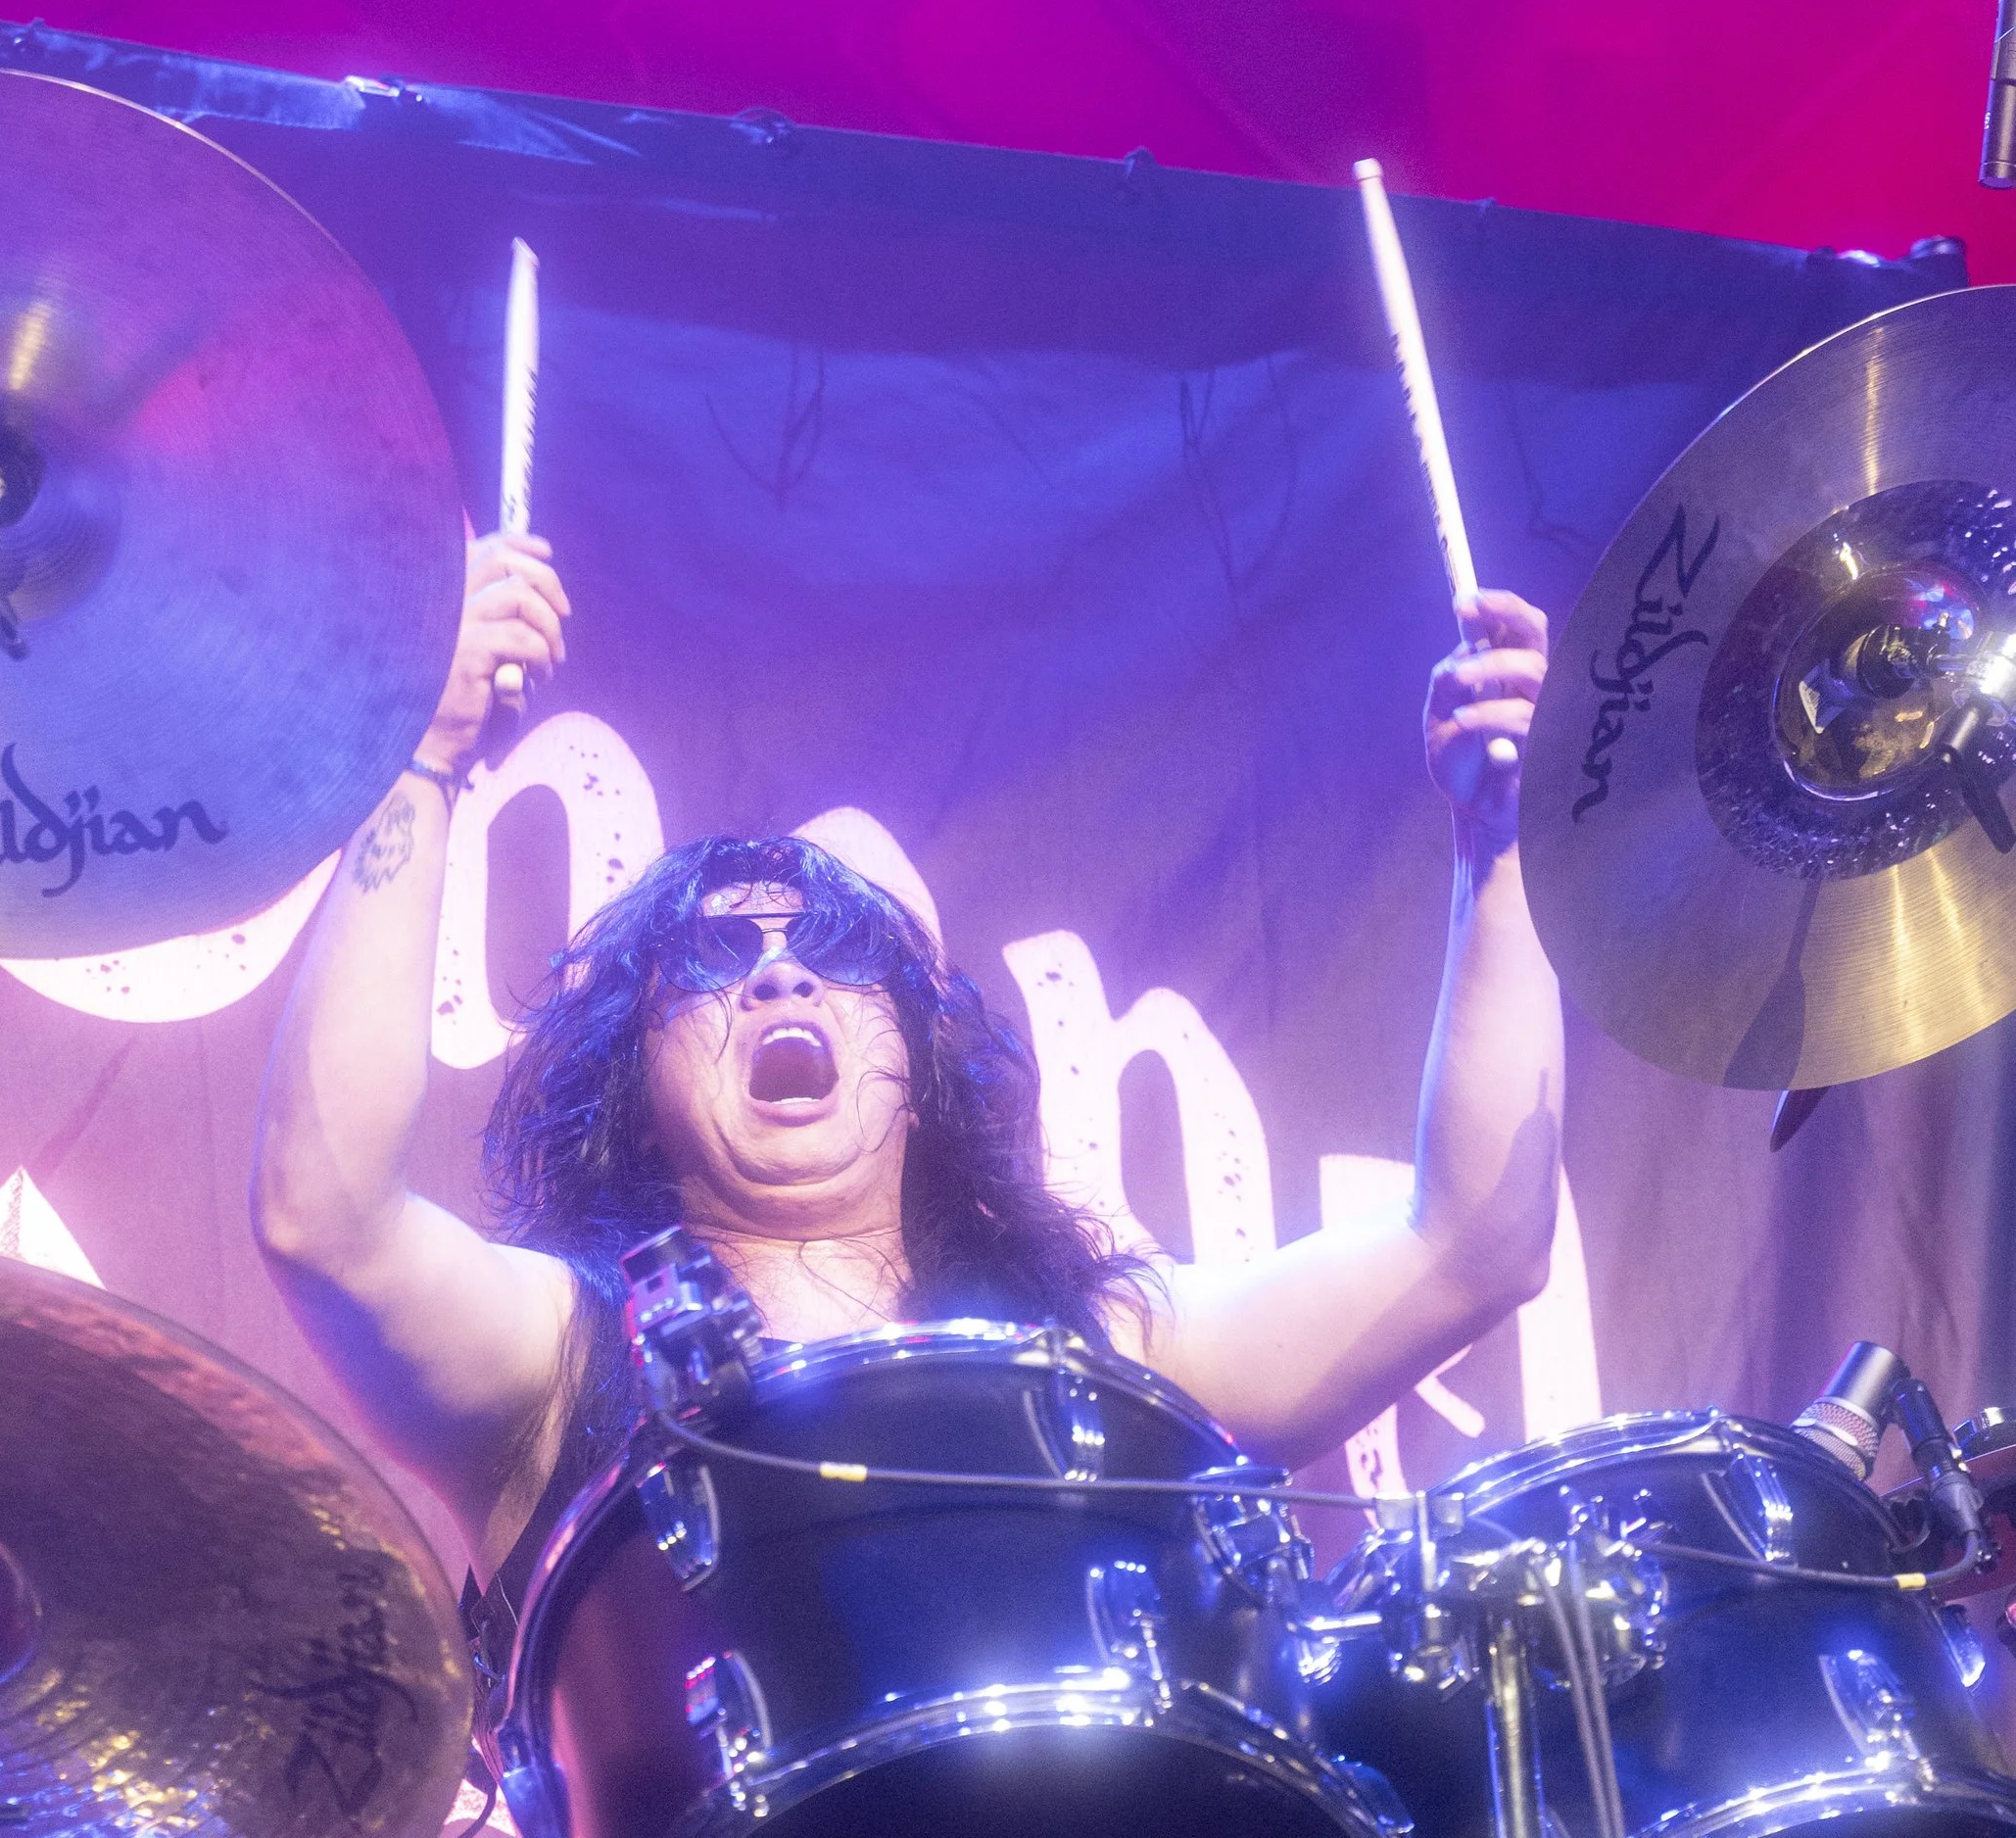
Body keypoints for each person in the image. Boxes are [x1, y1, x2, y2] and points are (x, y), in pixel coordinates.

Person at [251, 533, 1563, 1650]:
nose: (781, 981)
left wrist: (1499, 847)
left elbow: (1471, 1246)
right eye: (717, 959)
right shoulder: (558, 1349)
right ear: (631, 1082)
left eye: (837, 955)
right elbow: (328, 1217)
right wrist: (425, 752)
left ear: (922, 1078)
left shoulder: (1092, 1349)